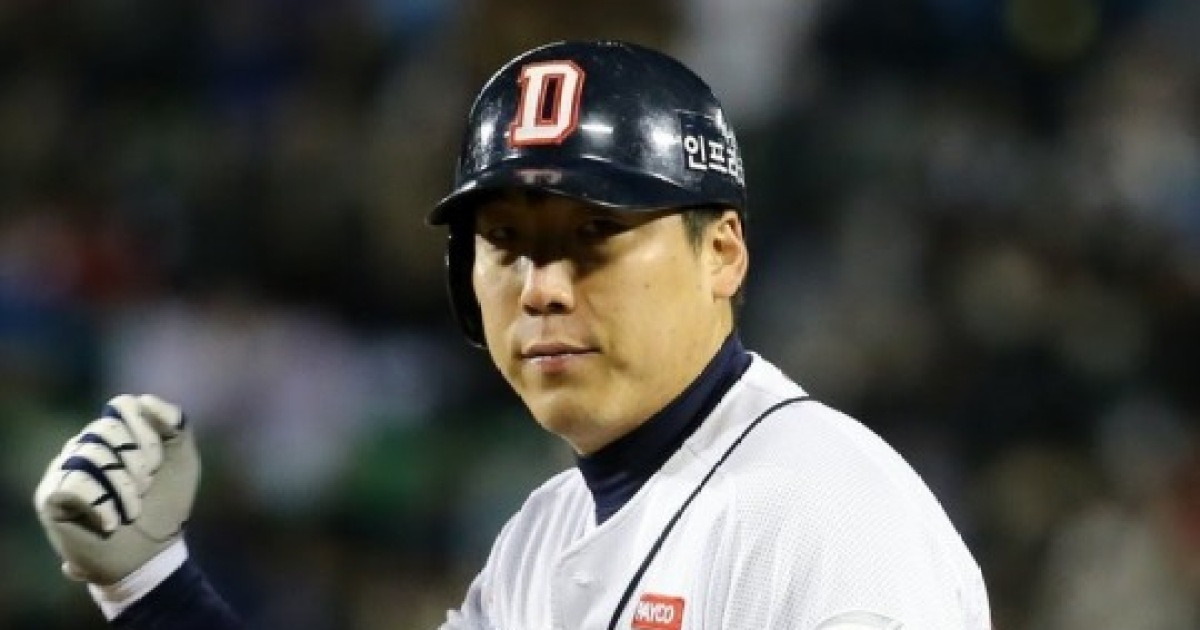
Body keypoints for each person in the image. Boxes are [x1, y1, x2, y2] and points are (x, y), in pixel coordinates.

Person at [33, 40, 991, 629]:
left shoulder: (825, 517)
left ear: (723, 254)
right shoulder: (544, 534)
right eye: (506, 244)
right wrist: (150, 588)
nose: (542, 289)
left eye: (595, 234)